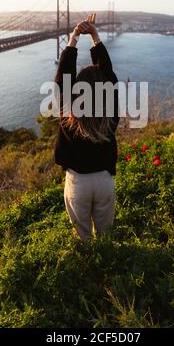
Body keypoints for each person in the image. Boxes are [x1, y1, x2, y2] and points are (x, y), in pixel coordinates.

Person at [54, 14, 119, 241]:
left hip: (77, 182)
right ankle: (107, 270)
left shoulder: (67, 112)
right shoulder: (110, 111)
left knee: (82, 239)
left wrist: (73, 38)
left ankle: (87, 271)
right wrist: (95, 36)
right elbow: (108, 74)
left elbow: (64, 76)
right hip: (104, 180)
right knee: (105, 237)